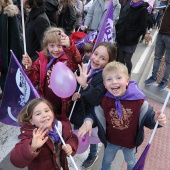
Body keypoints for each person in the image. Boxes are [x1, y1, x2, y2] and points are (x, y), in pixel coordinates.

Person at [78, 61, 167, 170]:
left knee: (131, 162)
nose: (114, 82)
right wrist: (89, 121)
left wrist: (156, 119)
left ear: (127, 81)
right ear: (105, 84)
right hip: (111, 141)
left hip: (130, 143)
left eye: (119, 78)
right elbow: (95, 113)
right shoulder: (105, 100)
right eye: (109, 79)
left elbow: (149, 118)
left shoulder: (138, 100)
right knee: (106, 161)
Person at [70, 42, 117, 169]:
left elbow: (96, 99)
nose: (96, 59)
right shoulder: (86, 67)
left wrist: (85, 86)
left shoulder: (105, 78)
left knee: (91, 137)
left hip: (92, 115)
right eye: (95, 54)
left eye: (103, 58)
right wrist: (76, 93)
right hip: (79, 110)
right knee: (76, 131)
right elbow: (77, 84)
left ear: (109, 62)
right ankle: (74, 147)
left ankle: (93, 154)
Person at [22, 27, 82, 116]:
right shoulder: (42, 59)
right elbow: (34, 80)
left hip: (63, 105)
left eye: (59, 46)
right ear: (46, 46)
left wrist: (70, 47)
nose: (56, 50)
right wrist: (30, 67)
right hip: (45, 102)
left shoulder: (68, 59)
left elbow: (77, 61)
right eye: (52, 46)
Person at [10, 98, 78, 170]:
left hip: (59, 165)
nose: (44, 115)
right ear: (31, 121)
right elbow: (16, 160)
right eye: (38, 114)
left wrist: (70, 146)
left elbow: (72, 138)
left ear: (52, 112)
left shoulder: (61, 127)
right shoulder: (30, 135)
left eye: (47, 111)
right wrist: (32, 147)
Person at [116, 0, 149, 75]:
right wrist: (119, 31)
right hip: (122, 37)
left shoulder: (143, 10)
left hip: (131, 40)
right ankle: (120, 74)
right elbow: (124, 20)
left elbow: (142, 27)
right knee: (120, 59)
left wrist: (132, 37)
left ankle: (128, 75)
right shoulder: (130, 6)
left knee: (127, 59)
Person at [144, 2, 170, 91]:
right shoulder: (166, 4)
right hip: (161, 33)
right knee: (157, 57)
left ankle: (164, 81)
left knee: (168, 61)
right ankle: (153, 77)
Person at [0, 0, 21, 100]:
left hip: (5, 67)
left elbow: (15, 42)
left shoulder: (8, 15)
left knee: (9, 98)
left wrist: (14, 66)